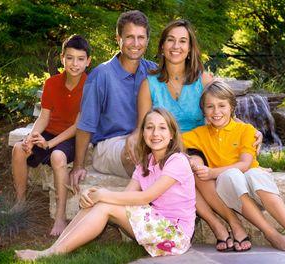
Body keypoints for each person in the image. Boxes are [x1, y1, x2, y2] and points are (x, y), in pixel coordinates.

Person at [126, 19, 254, 252]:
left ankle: (229, 224)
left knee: (193, 166)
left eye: (183, 41)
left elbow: (225, 112)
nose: (176, 46)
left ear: (190, 48)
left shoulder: (203, 80)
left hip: (195, 145)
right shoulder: (149, 84)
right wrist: (133, 139)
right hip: (163, 146)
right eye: (171, 40)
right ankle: (221, 225)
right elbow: (142, 125)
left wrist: (252, 133)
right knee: (184, 165)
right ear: (162, 46)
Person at [15, 108, 196, 260]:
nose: (155, 134)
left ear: (172, 134)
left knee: (103, 205)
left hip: (175, 236)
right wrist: (96, 194)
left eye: (162, 128)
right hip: (156, 225)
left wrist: (102, 195)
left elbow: (145, 197)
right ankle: (54, 249)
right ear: (143, 134)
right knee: (101, 202)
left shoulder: (177, 161)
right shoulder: (145, 162)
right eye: (150, 128)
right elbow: (126, 196)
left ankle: (50, 253)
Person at [182, 79, 285, 254]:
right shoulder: (198, 134)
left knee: (254, 174)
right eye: (210, 107)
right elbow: (172, 143)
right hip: (230, 188)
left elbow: (245, 164)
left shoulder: (247, 130)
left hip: (254, 184)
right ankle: (270, 233)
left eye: (222, 106)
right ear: (203, 110)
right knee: (230, 176)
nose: (216, 112)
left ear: (232, 107)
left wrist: (211, 172)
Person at [11, 35, 91, 236]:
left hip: (74, 136)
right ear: (62, 58)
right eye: (70, 58)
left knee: (57, 156)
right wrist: (32, 137)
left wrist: (50, 144)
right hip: (50, 132)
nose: (75, 64)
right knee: (19, 149)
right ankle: (20, 203)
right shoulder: (52, 83)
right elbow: (44, 118)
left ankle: (60, 216)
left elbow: (78, 125)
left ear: (88, 61)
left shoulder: (90, 86)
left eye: (80, 59)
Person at [69, 10, 156, 190]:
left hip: (144, 137)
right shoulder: (101, 75)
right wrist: (78, 165)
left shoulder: (154, 71)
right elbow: (86, 125)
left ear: (147, 40)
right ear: (118, 38)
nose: (136, 43)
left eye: (141, 37)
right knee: (141, 154)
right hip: (110, 145)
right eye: (130, 37)